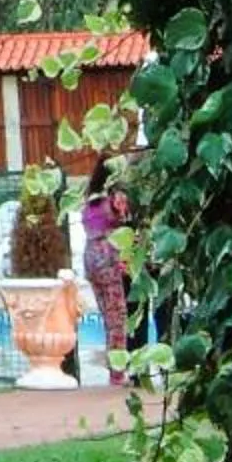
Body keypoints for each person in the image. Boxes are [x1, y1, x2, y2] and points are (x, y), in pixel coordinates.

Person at [80, 157, 136, 388]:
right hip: (109, 259)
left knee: (106, 316)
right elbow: (126, 222)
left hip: (91, 257)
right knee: (118, 317)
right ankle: (117, 370)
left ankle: (113, 367)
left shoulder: (89, 199)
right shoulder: (115, 200)